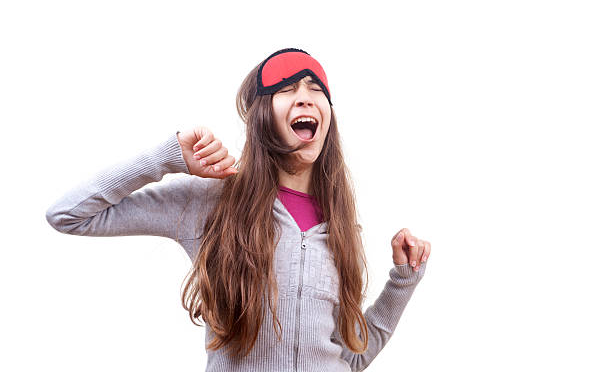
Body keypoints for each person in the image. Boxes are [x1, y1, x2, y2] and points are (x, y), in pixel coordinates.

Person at [45, 47, 431, 372]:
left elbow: (351, 359)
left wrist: (403, 279)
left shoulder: (340, 227)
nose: (305, 97)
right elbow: (68, 214)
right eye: (286, 89)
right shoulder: (213, 202)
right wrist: (165, 159)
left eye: (315, 89)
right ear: (263, 116)